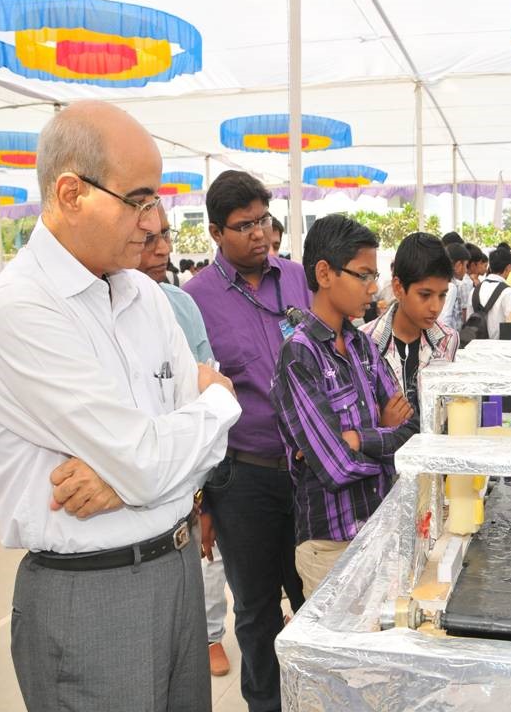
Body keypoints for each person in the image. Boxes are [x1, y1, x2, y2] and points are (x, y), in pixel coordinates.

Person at [0, 101, 240, 712]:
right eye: (138, 200)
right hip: (92, 596)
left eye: (156, 200)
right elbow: (150, 456)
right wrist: (218, 401)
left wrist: (127, 479)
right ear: (72, 194)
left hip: (177, 571)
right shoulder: (21, 308)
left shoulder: (146, 294)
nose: (154, 221)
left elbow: (184, 458)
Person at [183, 170, 310, 712]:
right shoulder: (195, 300)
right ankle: (266, 703)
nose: (259, 233)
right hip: (243, 477)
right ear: (216, 232)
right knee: (256, 609)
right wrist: (204, 501)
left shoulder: (298, 280)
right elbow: (190, 405)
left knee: (315, 596)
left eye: (263, 220)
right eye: (244, 225)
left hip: (309, 471)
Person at [271, 215, 416, 596]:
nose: (373, 288)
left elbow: (413, 432)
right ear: (324, 273)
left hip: (380, 529)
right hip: (330, 546)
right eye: (363, 275)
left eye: (374, 276)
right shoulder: (299, 355)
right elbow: (336, 467)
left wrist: (357, 438)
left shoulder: (363, 345)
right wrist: (381, 433)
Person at [137, 207, 232, 677]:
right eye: (149, 239)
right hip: (141, 487)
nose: (164, 249)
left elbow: (213, 391)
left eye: (166, 235)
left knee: (206, 560)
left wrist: (202, 492)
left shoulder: (179, 305)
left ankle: (210, 635)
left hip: (191, 470)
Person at [361, 232, 459, 412]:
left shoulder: (447, 339)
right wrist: (383, 422)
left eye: (442, 295)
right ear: (398, 288)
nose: (435, 307)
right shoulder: (365, 342)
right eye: (425, 295)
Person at [475, 247, 511, 339]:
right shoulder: (509, 293)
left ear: (490, 267)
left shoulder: (474, 290)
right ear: (508, 267)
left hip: (474, 345)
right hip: (499, 346)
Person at [439, 241, 470, 330]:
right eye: (466, 265)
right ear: (458, 265)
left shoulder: (443, 282)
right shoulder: (451, 287)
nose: (466, 270)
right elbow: (445, 319)